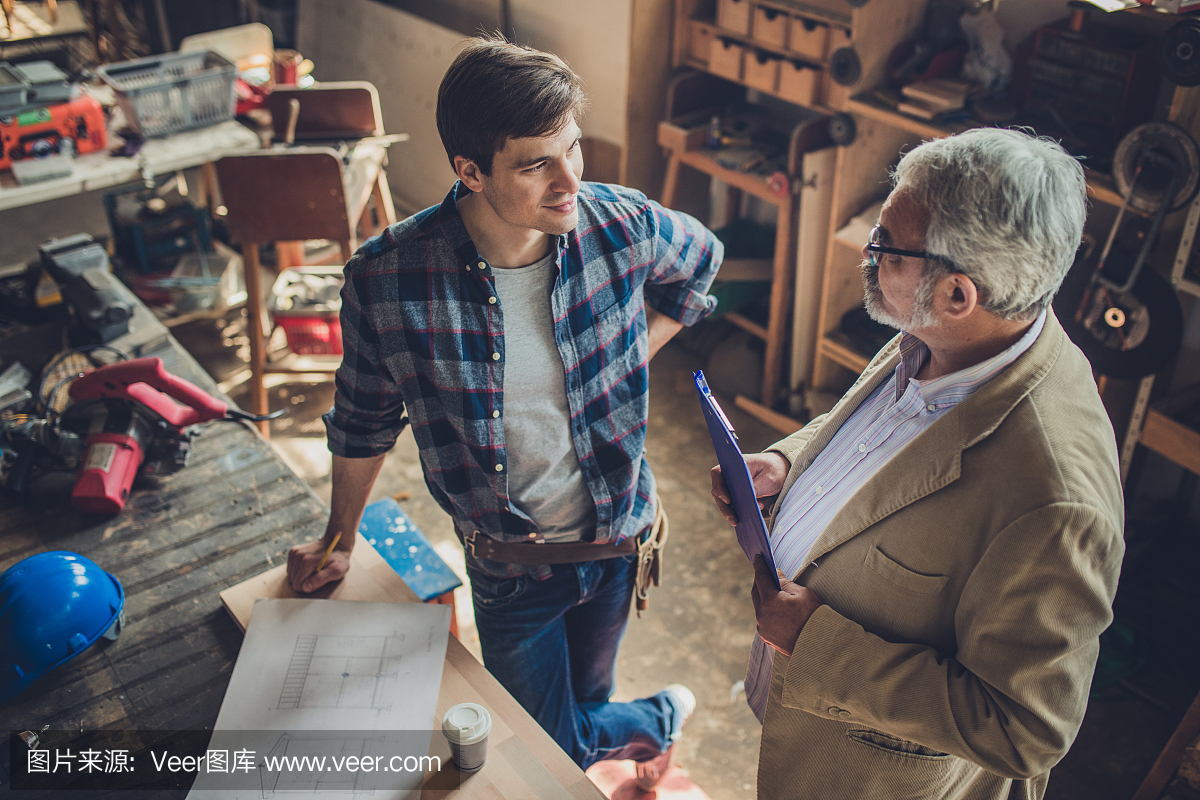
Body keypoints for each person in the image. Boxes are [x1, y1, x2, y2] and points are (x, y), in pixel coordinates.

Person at [286, 36, 721, 786]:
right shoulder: (389, 281)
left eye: (573, 149)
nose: (570, 181)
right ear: (470, 170)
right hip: (510, 567)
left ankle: (608, 752)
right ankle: (659, 721)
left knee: (584, 707)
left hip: (618, 545)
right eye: (536, 163)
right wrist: (338, 536)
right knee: (545, 740)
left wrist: (631, 351)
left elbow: (700, 264)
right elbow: (362, 418)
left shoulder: (621, 225)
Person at [711, 127, 1124, 800]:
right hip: (803, 717)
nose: (869, 257)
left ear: (959, 295)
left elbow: (1024, 729)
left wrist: (814, 642)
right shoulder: (950, 337)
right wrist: (792, 463)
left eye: (885, 249)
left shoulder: (1054, 499)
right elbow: (884, 432)